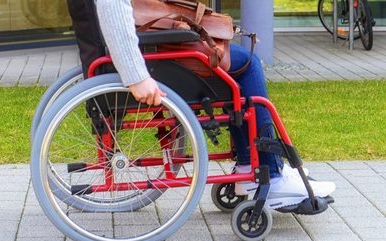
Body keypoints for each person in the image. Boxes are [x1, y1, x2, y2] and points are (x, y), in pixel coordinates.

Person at [72, 0, 335, 209]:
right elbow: (112, 8)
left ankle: (249, 166)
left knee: (234, 57)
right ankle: (271, 173)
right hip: (150, 59)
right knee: (247, 65)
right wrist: (137, 76)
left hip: (146, 50)